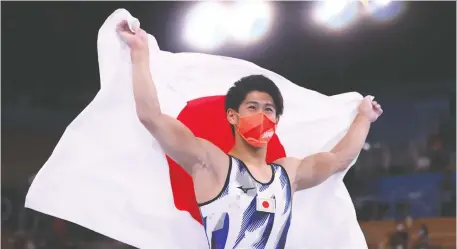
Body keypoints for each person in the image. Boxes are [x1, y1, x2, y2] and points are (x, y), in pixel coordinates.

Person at [116, 20, 383, 249]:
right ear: (232, 115)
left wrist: (364, 118)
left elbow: (339, 159)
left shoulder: (289, 173)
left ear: (277, 120)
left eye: (268, 110)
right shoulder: (212, 163)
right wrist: (140, 53)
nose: (261, 116)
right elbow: (151, 117)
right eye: (252, 107)